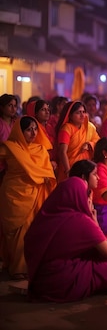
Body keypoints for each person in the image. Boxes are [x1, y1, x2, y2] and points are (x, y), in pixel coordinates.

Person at [24, 177, 107, 302]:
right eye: (87, 193)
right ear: (79, 196)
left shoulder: (47, 216)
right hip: (62, 283)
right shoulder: (81, 220)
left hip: (39, 282)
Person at [0, 116, 56, 279]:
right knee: (16, 232)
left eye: (35, 129)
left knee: (32, 230)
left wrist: (46, 178)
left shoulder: (40, 149)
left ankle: (29, 266)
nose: (33, 133)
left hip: (37, 194)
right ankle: (16, 267)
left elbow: (47, 172)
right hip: (14, 194)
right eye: (28, 129)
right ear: (19, 131)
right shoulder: (10, 148)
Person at [56, 101, 100, 181]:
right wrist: (69, 171)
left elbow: (98, 143)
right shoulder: (67, 128)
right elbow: (62, 152)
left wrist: (89, 144)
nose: (82, 115)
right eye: (78, 112)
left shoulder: (89, 127)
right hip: (70, 168)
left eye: (83, 112)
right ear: (70, 115)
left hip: (86, 169)